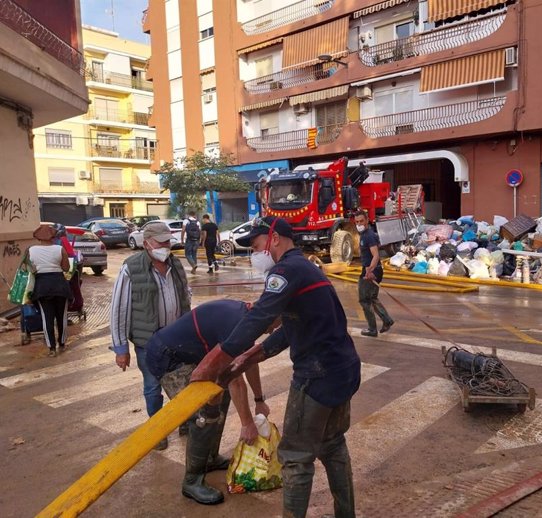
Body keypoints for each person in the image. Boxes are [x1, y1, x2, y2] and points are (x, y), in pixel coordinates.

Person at [191, 216, 361, 518]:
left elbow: (256, 319)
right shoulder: (307, 268)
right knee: (333, 445)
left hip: (317, 376)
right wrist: (253, 355)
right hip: (343, 370)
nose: (255, 255)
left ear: (275, 239)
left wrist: (211, 364)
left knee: (295, 459)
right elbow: (292, 327)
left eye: (256, 247)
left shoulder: (285, 271)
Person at [145, 299, 275, 505]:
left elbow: (247, 361)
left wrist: (259, 399)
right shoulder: (238, 323)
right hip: (168, 356)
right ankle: (192, 480)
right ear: (270, 317)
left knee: (220, 394)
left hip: (191, 354)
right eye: (277, 324)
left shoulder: (250, 317)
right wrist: (247, 423)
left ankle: (210, 458)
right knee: (202, 413)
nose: (273, 330)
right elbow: (236, 380)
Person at [110, 221, 190, 450]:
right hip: (149, 342)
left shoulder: (175, 265)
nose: (166, 245)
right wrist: (120, 348)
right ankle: (158, 430)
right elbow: (119, 309)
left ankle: (185, 422)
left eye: (168, 241)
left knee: (183, 383)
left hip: (177, 338)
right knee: (153, 386)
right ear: (146, 244)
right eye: (161, 242)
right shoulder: (131, 268)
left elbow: (185, 296)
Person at [29, 224, 71, 357]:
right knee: (61, 317)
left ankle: (51, 348)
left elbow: (28, 270)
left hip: (42, 287)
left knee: (46, 318)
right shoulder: (60, 249)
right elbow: (66, 268)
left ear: (38, 237)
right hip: (59, 285)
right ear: (53, 236)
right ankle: (62, 343)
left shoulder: (31, 250)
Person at [354, 210, 394, 337]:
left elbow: (376, 255)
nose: (359, 224)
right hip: (371, 269)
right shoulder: (364, 234)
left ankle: (372, 329)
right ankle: (387, 320)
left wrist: (370, 270)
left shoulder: (368, 235)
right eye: (357, 222)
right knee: (372, 298)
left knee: (364, 300)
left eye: (361, 221)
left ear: (366, 220)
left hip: (371, 270)